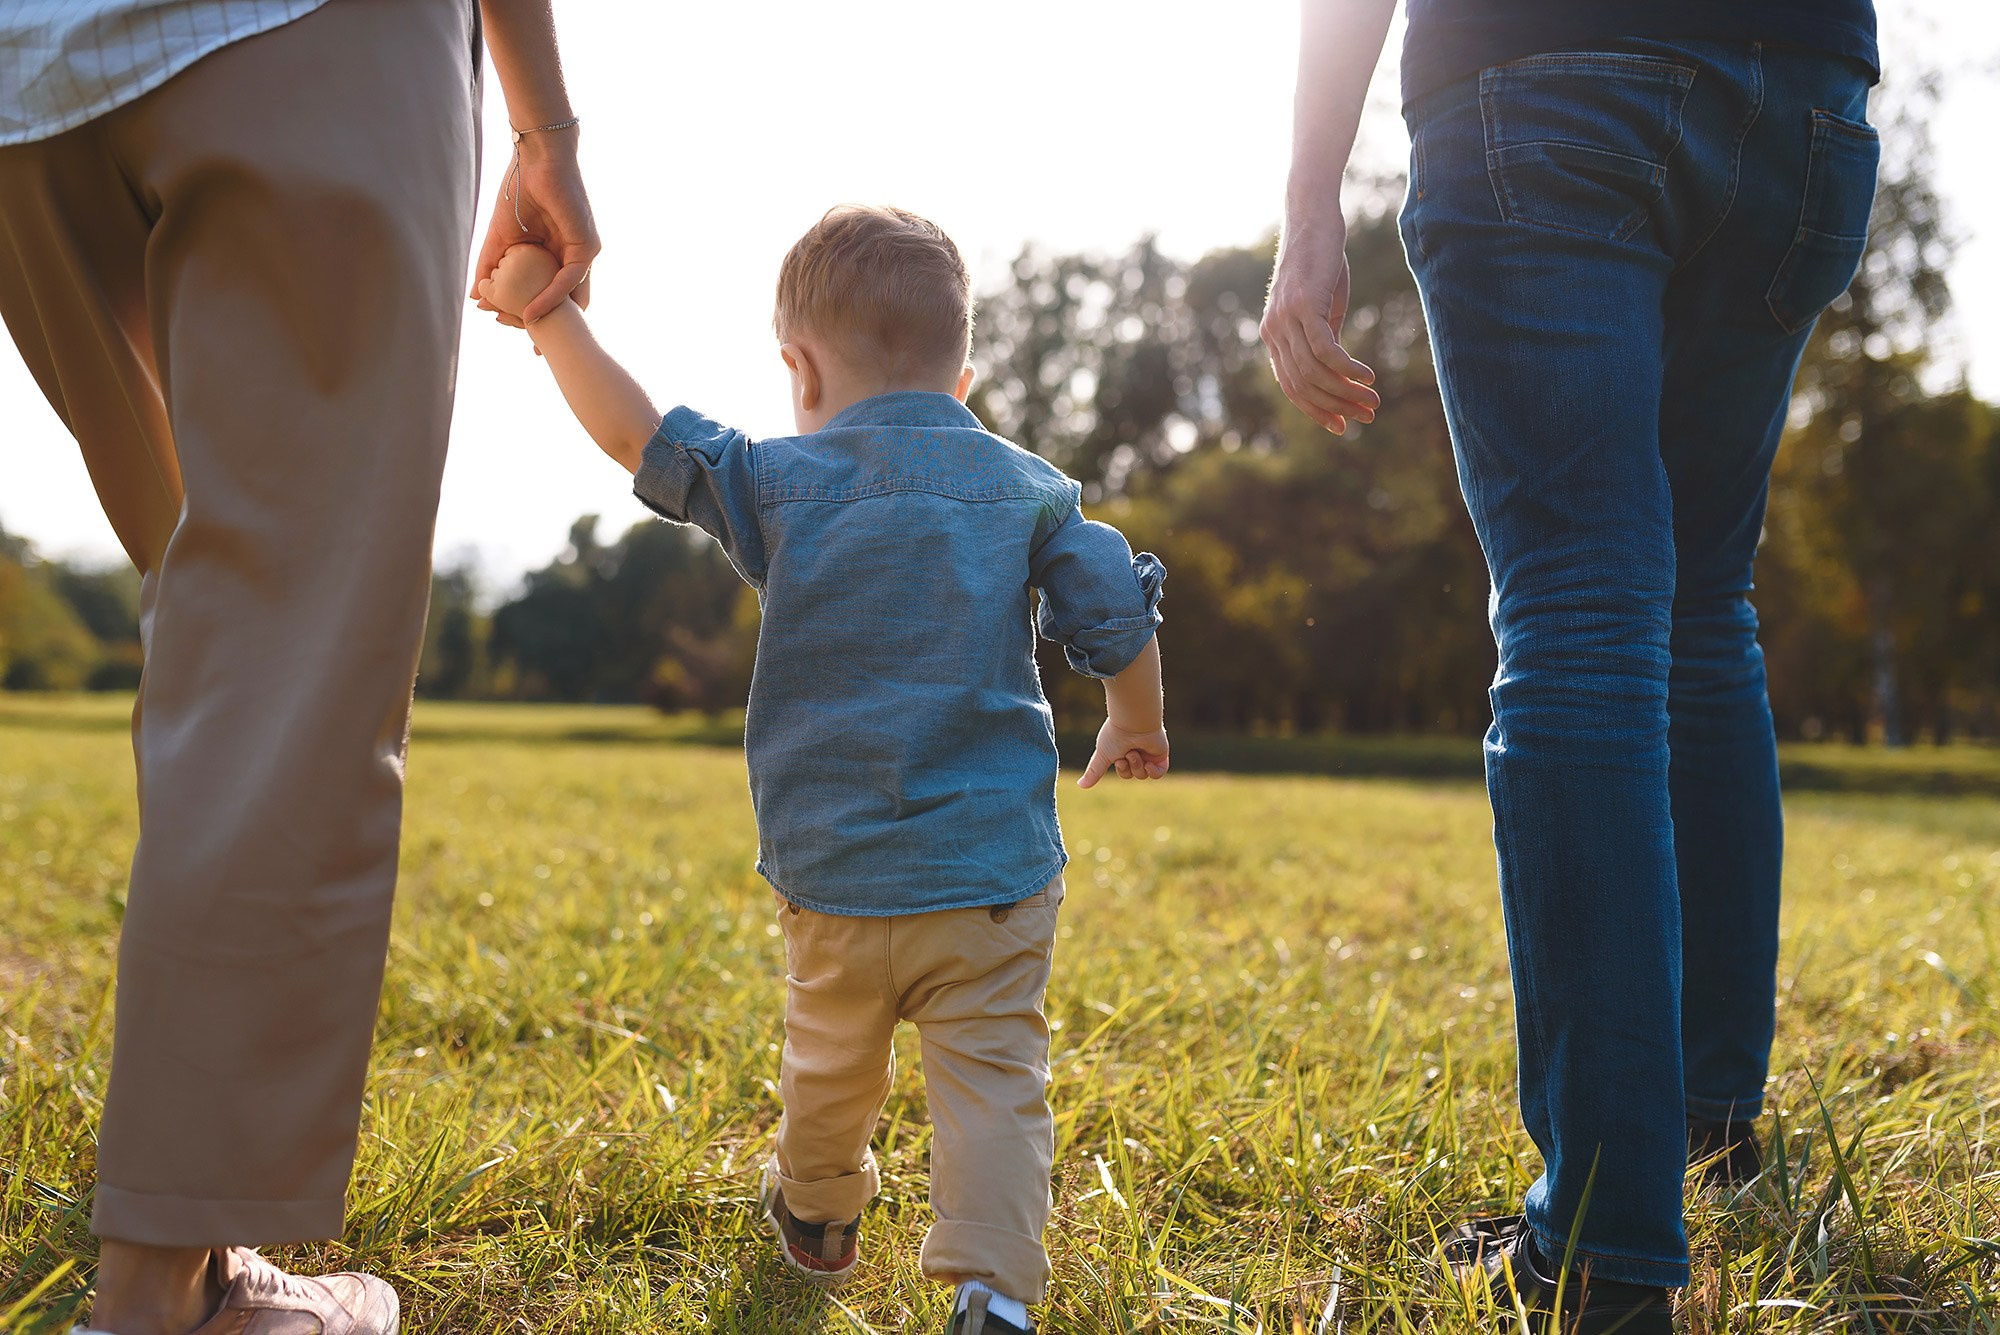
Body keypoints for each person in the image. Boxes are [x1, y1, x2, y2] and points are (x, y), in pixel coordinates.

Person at [1263, 1, 1879, 1330]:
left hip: (1548, 80)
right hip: (1805, 105)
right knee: (1703, 607)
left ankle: (1606, 1244)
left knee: (1581, 610)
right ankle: (1711, 1124)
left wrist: (1311, 200)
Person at [0, 3, 597, 1332]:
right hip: (298, 37)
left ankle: (198, 1255)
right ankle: (163, 1291)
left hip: (26, 96)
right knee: (280, 657)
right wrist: (545, 128)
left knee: (211, 619)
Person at [474, 206, 1171, 1335]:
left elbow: (638, 437)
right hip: (989, 878)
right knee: (995, 1079)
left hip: (833, 879)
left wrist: (547, 317)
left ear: (797, 368)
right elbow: (1107, 609)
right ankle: (993, 1292)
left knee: (827, 1069)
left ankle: (817, 1215)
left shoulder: (778, 482)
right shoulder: (1025, 489)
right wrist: (1131, 723)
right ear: (963, 375)